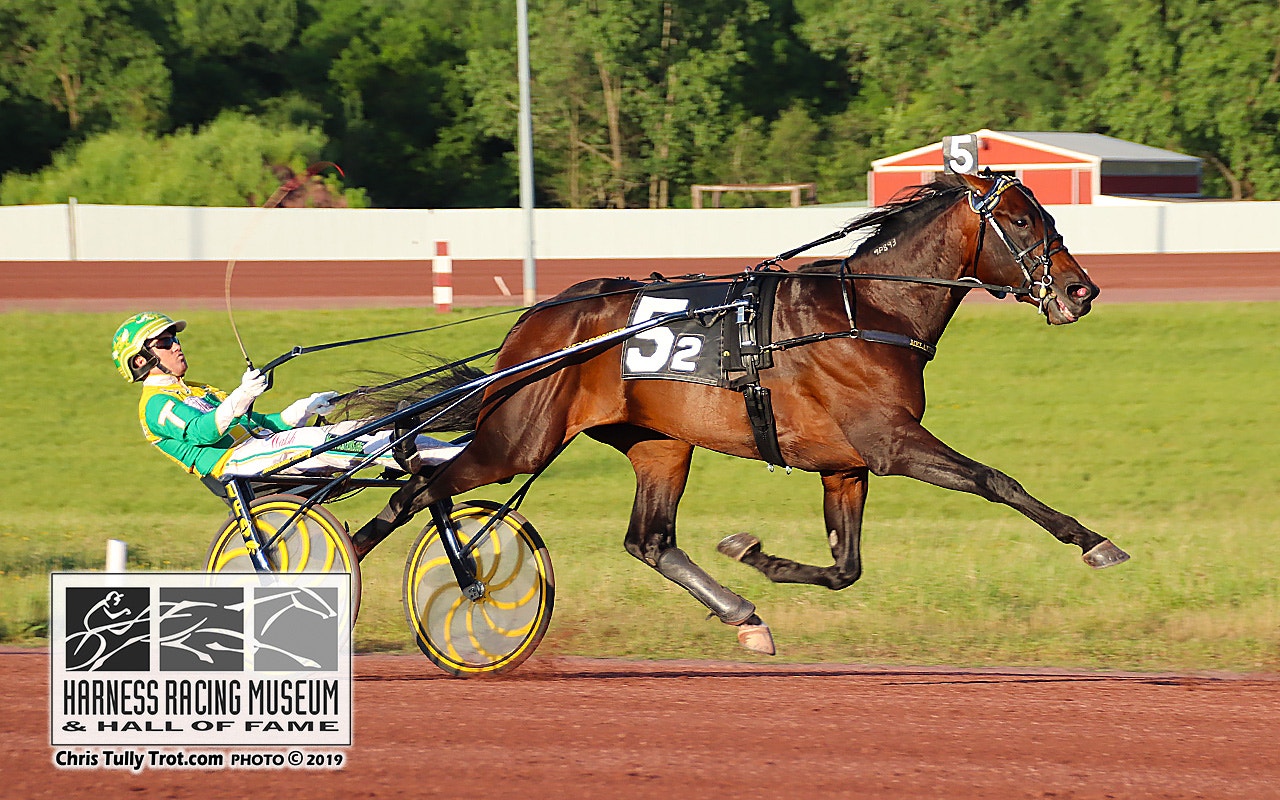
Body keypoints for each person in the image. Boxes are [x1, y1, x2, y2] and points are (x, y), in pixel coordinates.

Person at [111, 312, 464, 479]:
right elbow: (205, 432)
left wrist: (301, 410)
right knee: (332, 440)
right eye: (167, 341)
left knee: (360, 426)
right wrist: (241, 396)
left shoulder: (198, 390)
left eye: (176, 338)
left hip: (262, 446)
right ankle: (443, 459)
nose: (177, 346)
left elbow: (264, 425)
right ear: (141, 360)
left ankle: (454, 453)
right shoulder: (156, 405)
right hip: (233, 463)